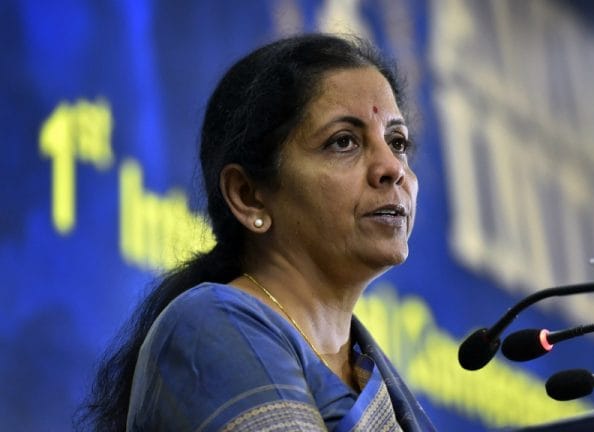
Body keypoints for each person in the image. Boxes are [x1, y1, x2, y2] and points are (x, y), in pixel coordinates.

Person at [78, 33, 435, 431]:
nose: (393, 168)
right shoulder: (209, 329)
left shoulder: (366, 369)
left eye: (397, 142)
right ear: (248, 196)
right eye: (343, 142)